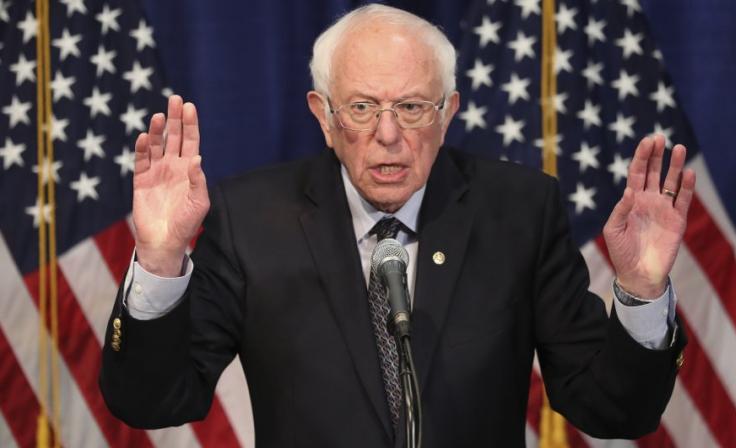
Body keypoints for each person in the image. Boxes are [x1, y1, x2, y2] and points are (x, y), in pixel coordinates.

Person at [100, 4, 694, 447]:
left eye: (412, 107)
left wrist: (640, 291)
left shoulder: (517, 212)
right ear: (324, 116)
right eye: (361, 108)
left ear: (448, 113)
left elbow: (614, 410)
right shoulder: (254, 219)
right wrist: (158, 261)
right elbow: (152, 401)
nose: (388, 134)